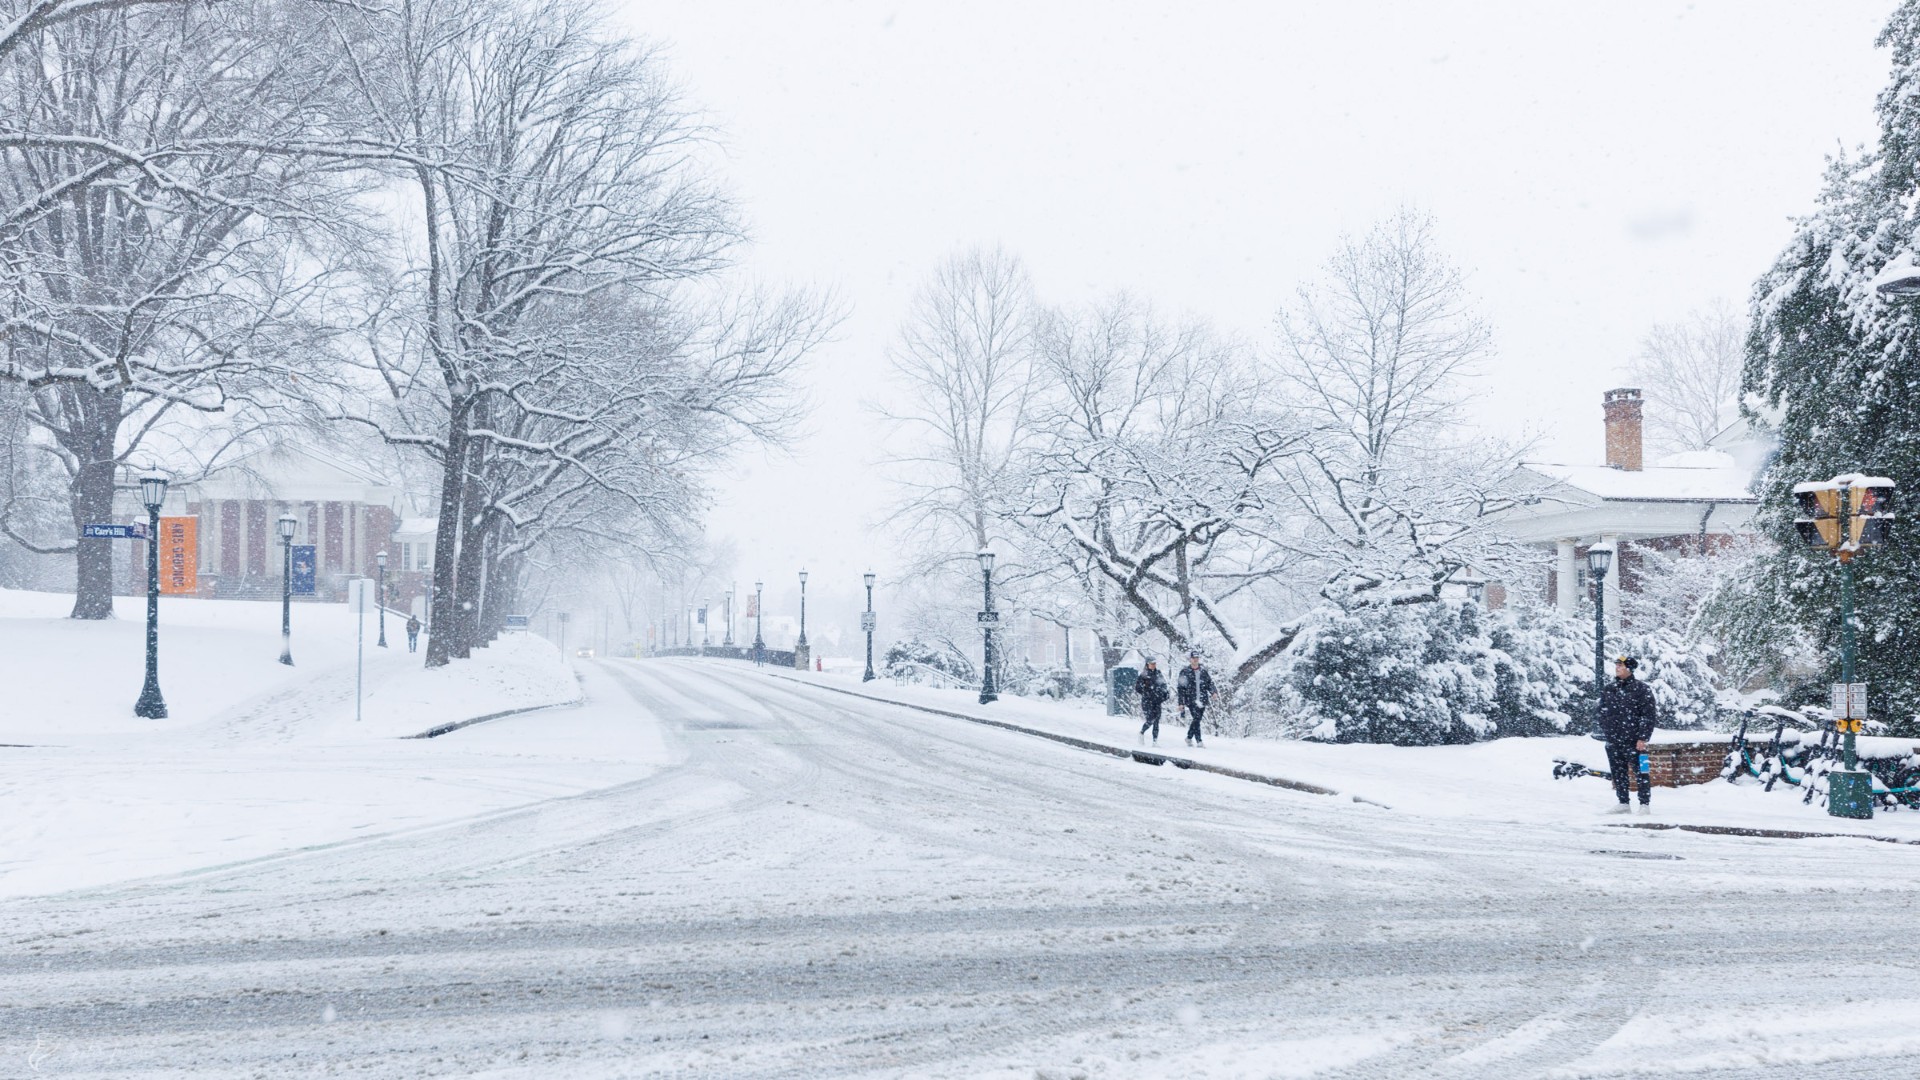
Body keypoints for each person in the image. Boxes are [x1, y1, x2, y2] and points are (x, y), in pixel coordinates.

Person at [1596, 654, 1658, 814]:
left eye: (1620, 665)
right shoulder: (1610, 689)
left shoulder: (1642, 689)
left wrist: (1643, 737)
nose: (1617, 668)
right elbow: (1601, 711)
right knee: (1618, 772)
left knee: (1642, 771)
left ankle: (1645, 804)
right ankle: (1623, 802)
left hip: (1635, 741)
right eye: (1616, 665)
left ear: (1629, 669)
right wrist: (1607, 730)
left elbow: (1648, 715)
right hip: (1614, 740)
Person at [1177, 651, 1215, 748]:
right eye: (1194, 658)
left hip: (1202, 699)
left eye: (1197, 658)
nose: (1196, 659)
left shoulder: (1203, 671)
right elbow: (1181, 688)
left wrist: (1213, 692)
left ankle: (1189, 737)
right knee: (1197, 718)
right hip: (1191, 700)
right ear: (1190, 659)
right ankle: (1199, 741)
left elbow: (1209, 683)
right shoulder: (1185, 672)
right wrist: (1181, 703)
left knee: (1197, 719)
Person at [1135, 659, 1170, 746]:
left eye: (1155, 663)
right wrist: (1146, 691)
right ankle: (1141, 732)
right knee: (1150, 719)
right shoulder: (1143, 675)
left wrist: (1165, 693)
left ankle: (1155, 741)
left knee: (1157, 720)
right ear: (1147, 664)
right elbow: (1138, 687)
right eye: (1152, 663)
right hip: (1147, 701)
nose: (1154, 665)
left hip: (1157, 700)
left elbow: (1163, 684)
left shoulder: (1158, 673)